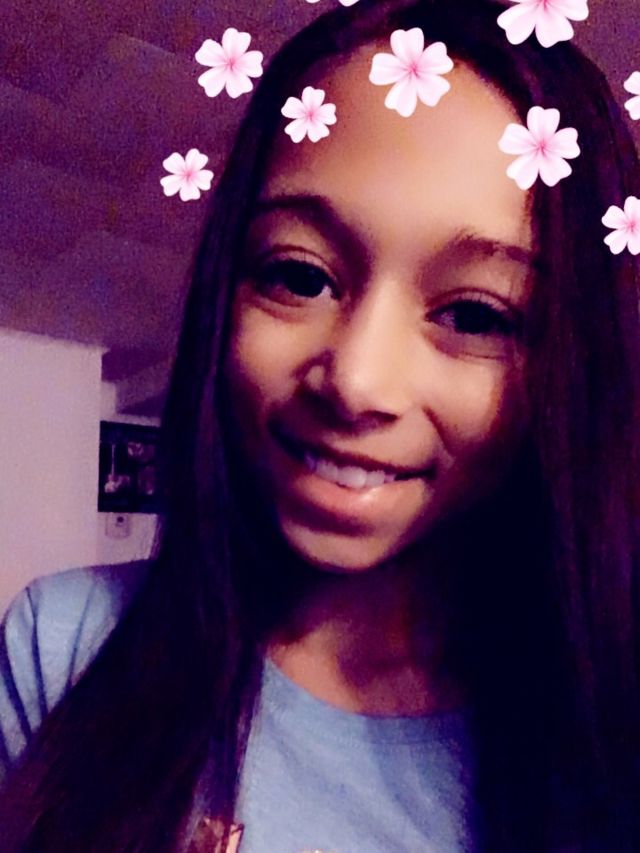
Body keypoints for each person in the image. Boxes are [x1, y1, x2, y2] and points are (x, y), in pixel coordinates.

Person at [1, 0, 639, 849]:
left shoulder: (612, 741)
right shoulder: (65, 644)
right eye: (300, 276)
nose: (356, 381)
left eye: (477, 315)